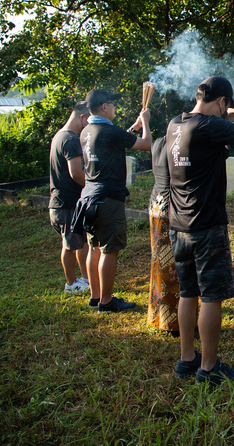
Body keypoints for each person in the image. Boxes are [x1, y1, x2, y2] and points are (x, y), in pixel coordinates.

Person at [167, 76, 234, 386]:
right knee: (211, 296)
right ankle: (209, 369)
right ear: (223, 101)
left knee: (188, 292)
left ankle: (187, 359)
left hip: (179, 224)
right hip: (206, 224)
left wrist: (226, 116)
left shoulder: (176, 123)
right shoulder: (209, 127)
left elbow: (206, 124)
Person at [75, 88, 152, 312]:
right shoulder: (109, 131)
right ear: (105, 107)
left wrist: (133, 128)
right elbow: (146, 144)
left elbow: (113, 142)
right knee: (109, 250)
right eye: (113, 104)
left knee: (94, 247)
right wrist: (145, 122)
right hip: (109, 198)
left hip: (89, 196)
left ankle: (95, 296)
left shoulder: (87, 131)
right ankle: (107, 302)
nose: (115, 108)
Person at [49, 101, 90, 294]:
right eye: (88, 121)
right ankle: (75, 282)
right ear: (82, 117)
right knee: (74, 244)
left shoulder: (59, 135)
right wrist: (92, 186)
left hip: (60, 202)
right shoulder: (71, 139)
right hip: (67, 202)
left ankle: (79, 280)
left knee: (74, 243)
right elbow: (76, 173)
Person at [147, 135, 180, 335]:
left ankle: (157, 315)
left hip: (156, 204)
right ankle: (172, 322)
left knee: (159, 265)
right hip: (171, 208)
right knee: (172, 268)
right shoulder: (175, 144)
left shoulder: (158, 142)